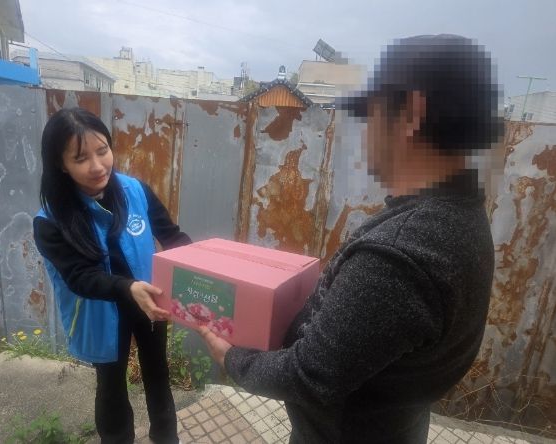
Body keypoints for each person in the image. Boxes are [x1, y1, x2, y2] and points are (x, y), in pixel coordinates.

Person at [198, 34, 504, 443]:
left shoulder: (402, 253)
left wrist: (233, 358)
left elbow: (308, 375)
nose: (364, 133)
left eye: (370, 115)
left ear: (410, 114)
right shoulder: (460, 216)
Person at [33, 107, 190, 444]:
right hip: (100, 309)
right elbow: (79, 277)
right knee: (111, 383)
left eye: (102, 150)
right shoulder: (50, 221)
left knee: (158, 372)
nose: (97, 166)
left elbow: (172, 236)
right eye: (81, 158)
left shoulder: (135, 190)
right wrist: (126, 288)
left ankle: (167, 438)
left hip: (149, 299)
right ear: (61, 164)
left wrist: (204, 267)